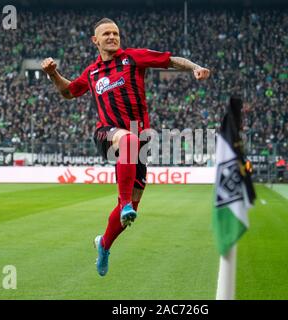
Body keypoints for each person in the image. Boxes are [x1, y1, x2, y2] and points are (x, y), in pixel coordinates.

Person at [41, 18, 210, 276]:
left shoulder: (133, 58)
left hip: (138, 142)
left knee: (134, 200)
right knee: (127, 150)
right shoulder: (92, 72)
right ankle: (124, 204)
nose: (112, 37)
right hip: (107, 134)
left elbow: (170, 60)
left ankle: (104, 244)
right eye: (106, 34)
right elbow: (68, 92)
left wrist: (195, 67)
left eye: (115, 33)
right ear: (95, 40)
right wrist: (53, 73)